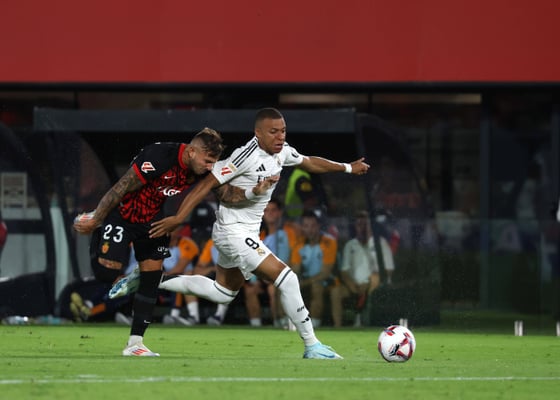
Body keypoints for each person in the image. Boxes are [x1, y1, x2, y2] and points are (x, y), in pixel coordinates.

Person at [112, 107, 370, 358]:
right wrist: (179, 217)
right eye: (273, 132)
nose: (280, 136)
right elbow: (207, 184)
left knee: (222, 293)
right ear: (258, 133)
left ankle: (150, 279)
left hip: (245, 232)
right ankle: (312, 345)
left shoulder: (282, 152)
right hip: (232, 231)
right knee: (288, 279)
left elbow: (309, 162)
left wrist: (347, 167)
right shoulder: (245, 156)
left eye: (283, 131)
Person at [73, 127, 237, 357]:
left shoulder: (202, 169)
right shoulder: (159, 156)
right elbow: (122, 186)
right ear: (191, 152)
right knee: (106, 273)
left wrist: (256, 191)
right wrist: (97, 218)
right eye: (208, 161)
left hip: (154, 221)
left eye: (214, 162)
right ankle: (99, 231)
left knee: (151, 279)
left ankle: (135, 344)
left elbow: (227, 195)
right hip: (123, 215)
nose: (210, 166)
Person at [329, 210, 396, 327]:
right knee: (336, 291)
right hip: (354, 286)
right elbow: (344, 271)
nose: (362, 228)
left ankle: (365, 321)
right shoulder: (350, 245)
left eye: (365, 224)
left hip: (376, 285)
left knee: (374, 279)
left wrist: (367, 282)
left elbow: (388, 270)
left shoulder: (380, 243)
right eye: (359, 224)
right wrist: (352, 285)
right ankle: (337, 327)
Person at [291, 210, 338, 328]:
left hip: (328, 281)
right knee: (286, 287)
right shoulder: (299, 243)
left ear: (319, 226)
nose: (310, 230)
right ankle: (284, 324)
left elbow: (325, 273)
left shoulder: (329, 242)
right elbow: (295, 269)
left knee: (317, 287)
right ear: (302, 227)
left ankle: (314, 326)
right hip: (306, 280)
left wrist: (304, 283)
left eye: (313, 226)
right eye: (306, 226)